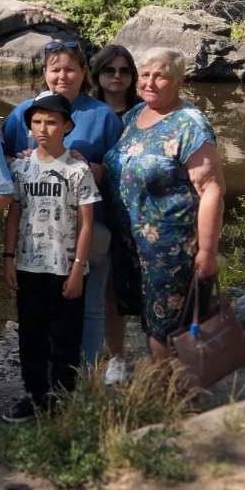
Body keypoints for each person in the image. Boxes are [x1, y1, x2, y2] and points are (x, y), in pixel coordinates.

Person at [0, 39, 126, 383]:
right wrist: (17, 160)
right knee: (38, 311)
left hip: (89, 226)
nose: (62, 76)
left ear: (84, 73)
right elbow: (3, 162)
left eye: (70, 68)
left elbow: (120, 169)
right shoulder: (23, 112)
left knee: (89, 305)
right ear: (44, 73)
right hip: (34, 236)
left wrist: (95, 168)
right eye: (55, 69)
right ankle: (41, 383)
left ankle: (80, 377)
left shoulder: (101, 116)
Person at [104, 48, 226, 365]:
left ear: (178, 80)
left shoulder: (190, 124)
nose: (150, 82)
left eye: (160, 75)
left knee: (166, 324)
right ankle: (166, 390)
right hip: (131, 241)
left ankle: (170, 394)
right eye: (145, 75)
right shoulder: (133, 116)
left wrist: (208, 251)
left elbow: (212, 189)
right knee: (148, 316)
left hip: (172, 245)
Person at [1, 94, 97, 423]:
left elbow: (87, 222)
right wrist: (8, 257)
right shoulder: (22, 167)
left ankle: (62, 397)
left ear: (67, 126)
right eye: (37, 121)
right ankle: (35, 395)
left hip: (65, 267)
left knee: (65, 336)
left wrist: (78, 268)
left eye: (52, 122)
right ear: (29, 126)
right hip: (29, 265)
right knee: (31, 334)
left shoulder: (78, 169)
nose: (44, 128)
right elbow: (14, 213)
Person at [87, 43, 142, 378]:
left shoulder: (143, 112)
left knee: (140, 285)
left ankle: (161, 355)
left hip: (138, 211)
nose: (117, 77)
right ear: (98, 74)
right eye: (110, 70)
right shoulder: (87, 112)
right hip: (98, 209)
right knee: (106, 287)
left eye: (124, 71)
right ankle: (115, 356)